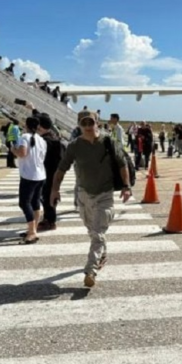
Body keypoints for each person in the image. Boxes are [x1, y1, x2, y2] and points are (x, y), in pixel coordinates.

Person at [51, 110, 132, 288]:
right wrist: (54, 190)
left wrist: (126, 186)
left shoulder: (108, 142)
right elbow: (61, 169)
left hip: (105, 194)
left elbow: (122, 164)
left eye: (91, 123)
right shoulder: (74, 146)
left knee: (97, 233)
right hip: (84, 194)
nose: (87, 127)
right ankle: (102, 254)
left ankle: (91, 270)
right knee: (92, 231)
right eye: (83, 123)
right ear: (79, 125)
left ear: (97, 123)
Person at [10, 117, 47, 245]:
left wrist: (13, 150)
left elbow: (22, 153)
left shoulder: (25, 137)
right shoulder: (42, 140)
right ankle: (34, 228)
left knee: (24, 203)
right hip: (40, 174)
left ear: (26, 125)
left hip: (28, 175)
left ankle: (31, 232)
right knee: (35, 202)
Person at [37, 114, 65, 232]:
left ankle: (50, 221)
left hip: (48, 172)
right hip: (55, 172)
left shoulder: (46, 140)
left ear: (40, 126)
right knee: (49, 195)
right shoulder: (54, 136)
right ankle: (49, 218)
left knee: (47, 196)